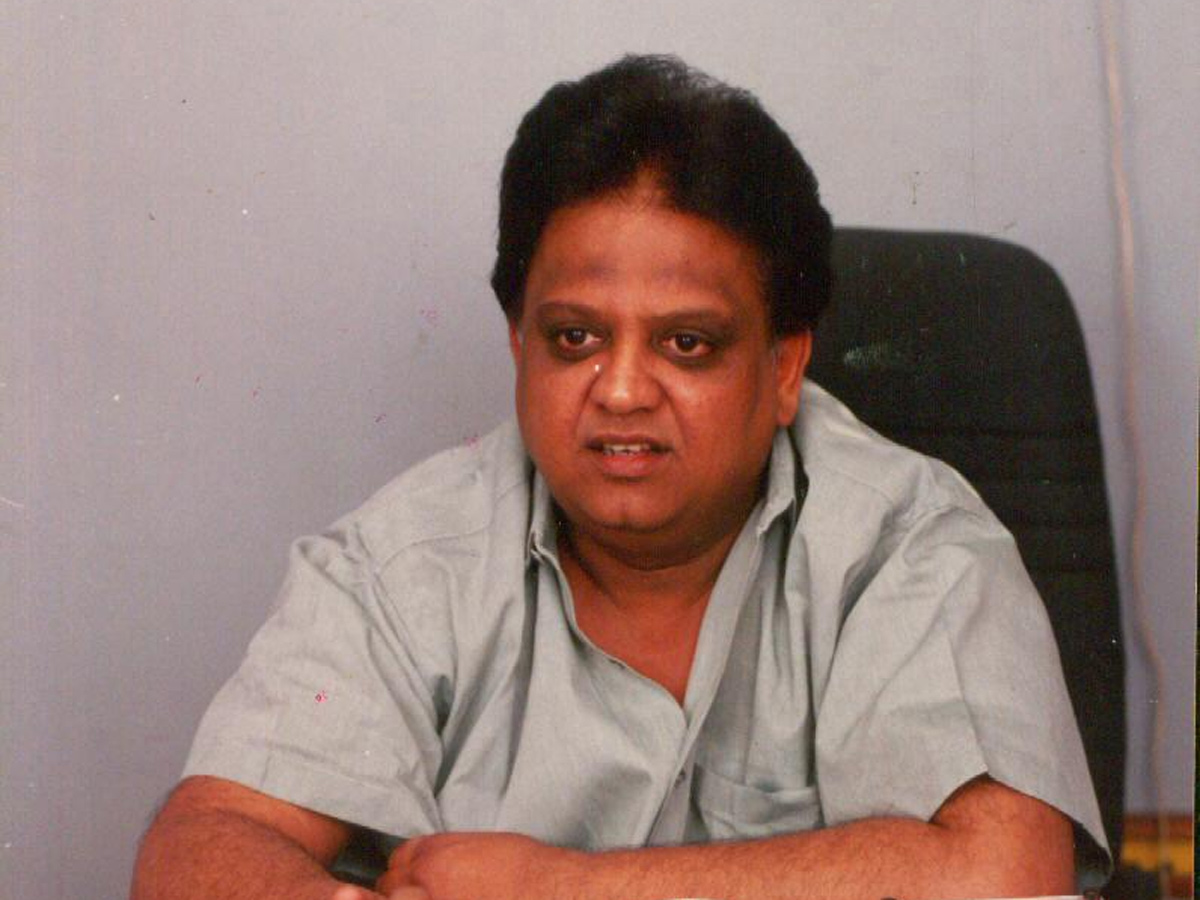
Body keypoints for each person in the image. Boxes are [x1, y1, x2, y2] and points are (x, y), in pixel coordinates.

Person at [133, 55, 1109, 900]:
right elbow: (201, 840)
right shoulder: (401, 563)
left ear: (782, 368)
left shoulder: (908, 546)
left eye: (686, 344)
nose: (623, 390)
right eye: (575, 338)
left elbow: (1006, 877)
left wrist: (560, 888)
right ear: (519, 343)